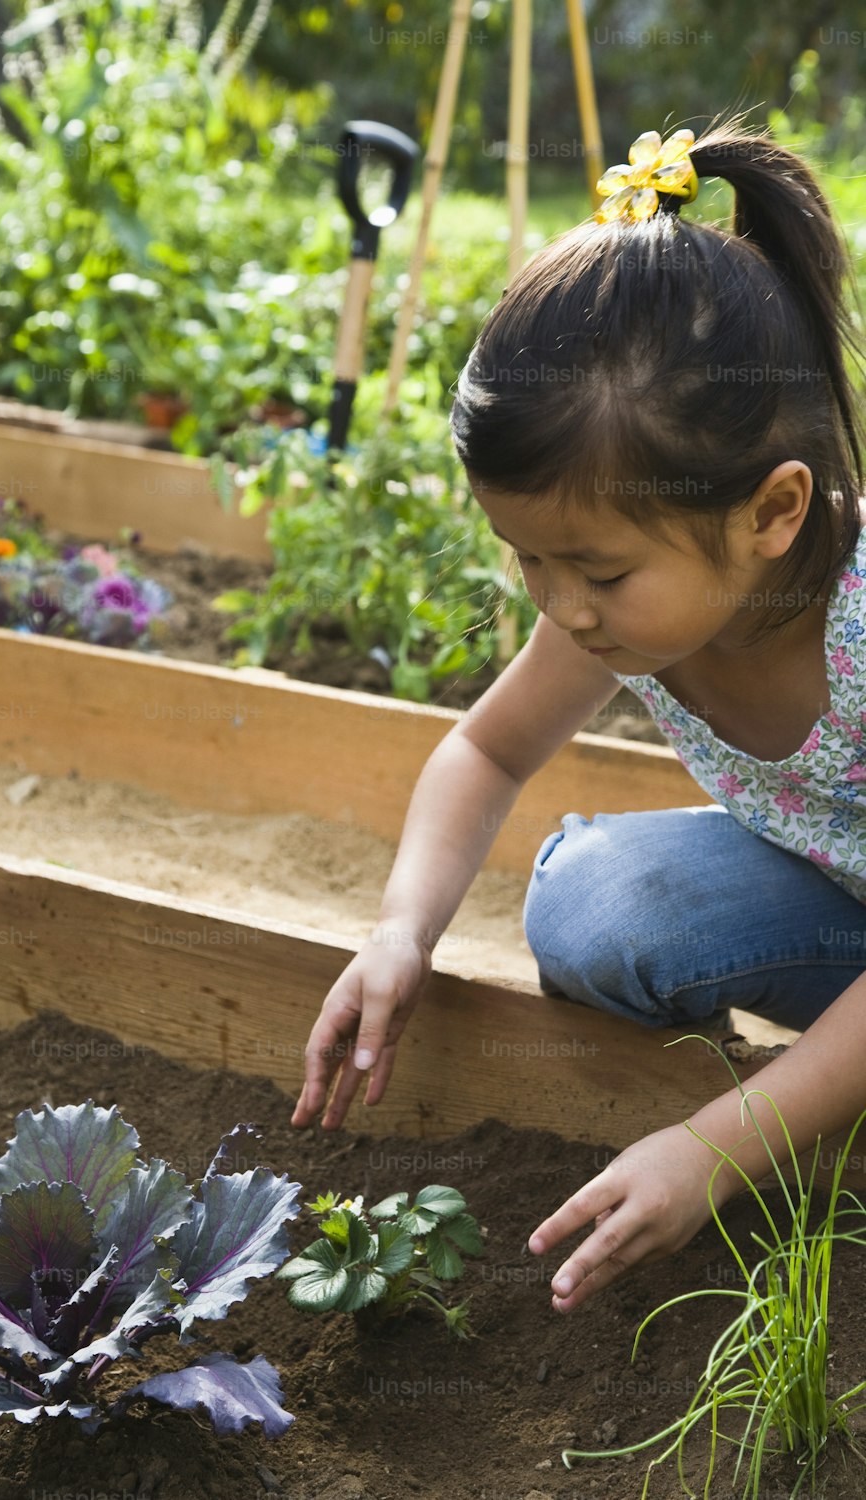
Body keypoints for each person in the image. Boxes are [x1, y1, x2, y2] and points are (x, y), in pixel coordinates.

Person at [290, 115, 866, 1314]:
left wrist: (715, 1145)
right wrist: (401, 931)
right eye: (529, 562)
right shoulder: (623, 601)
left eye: (598, 573)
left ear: (773, 513)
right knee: (592, 903)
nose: (564, 608)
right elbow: (483, 748)